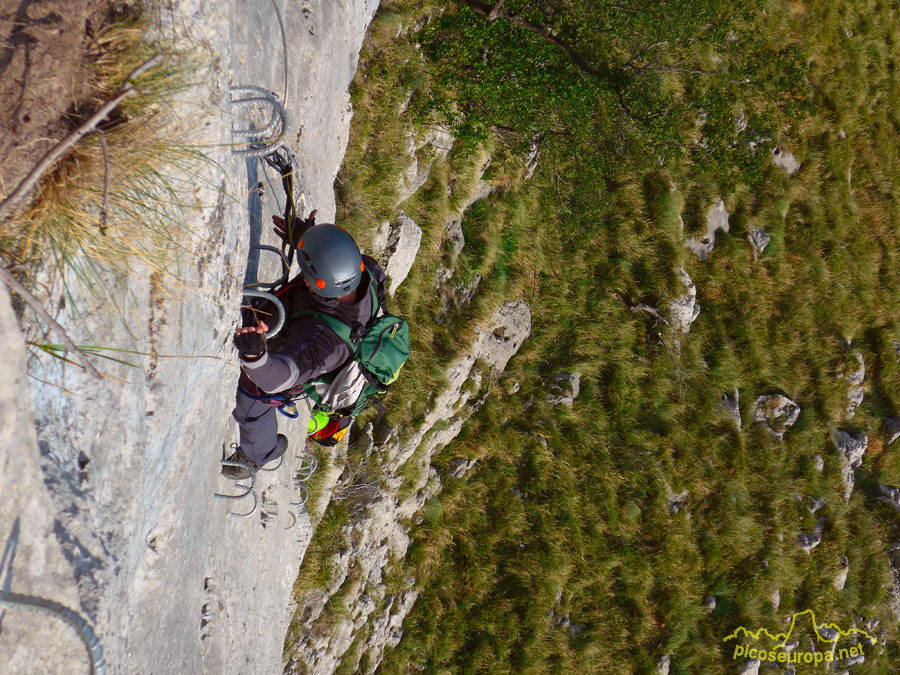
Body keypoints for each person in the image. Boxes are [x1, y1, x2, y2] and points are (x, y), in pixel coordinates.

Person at [223, 215, 387, 480]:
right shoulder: (364, 269)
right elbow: (333, 261)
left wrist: (255, 356)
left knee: (254, 395)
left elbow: (279, 378)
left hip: (316, 359)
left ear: (319, 284)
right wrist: (306, 239)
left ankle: (257, 454)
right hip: (317, 324)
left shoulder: (321, 342)